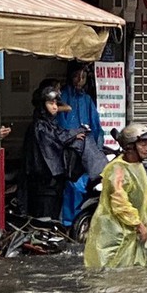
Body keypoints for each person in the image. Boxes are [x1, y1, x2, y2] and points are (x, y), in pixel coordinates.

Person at [84, 123, 147, 269]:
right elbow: (119, 202)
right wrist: (138, 224)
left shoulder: (137, 166)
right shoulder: (117, 170)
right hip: (116, 237)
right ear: (130, 146)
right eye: (143, 144)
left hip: (132, 235)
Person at [21, 80, 88, 222]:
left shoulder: (51, 124)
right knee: (43, 219)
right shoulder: (39, 127)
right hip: (42, 185)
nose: (55, 107)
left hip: (54, 185)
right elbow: (55, 140)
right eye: (50, 103)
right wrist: (72, 135)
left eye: (55, 104)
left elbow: (60, 134)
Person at [59, 66, 102, 225]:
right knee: (72, 186)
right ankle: (70, 222)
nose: (80, 80)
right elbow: (61, 126)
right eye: (77, 76)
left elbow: (96, 127)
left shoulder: (86, 100)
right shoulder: (63, 97)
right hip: (70, 152)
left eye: (83, 77)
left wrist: (96, 147)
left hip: (87, 150)